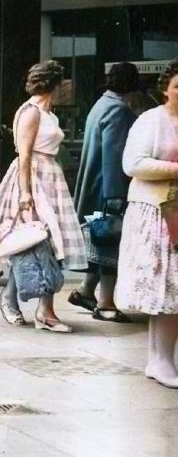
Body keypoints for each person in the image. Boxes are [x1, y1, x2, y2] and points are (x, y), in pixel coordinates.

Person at [0, 60, 86, 331]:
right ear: (52, 84)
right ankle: (16, 301)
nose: (66, 87)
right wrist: (25, 193)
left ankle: (44, 310)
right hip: (33, 176)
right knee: (34, 240)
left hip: (50, 176)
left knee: (48, 243)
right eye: (62, 82)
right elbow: (24, 155)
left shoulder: (49, 113)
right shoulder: (31, 112)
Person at [115, 61, 178, 387]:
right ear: (165, 88)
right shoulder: (150, 120)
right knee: (165, 288)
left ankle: (163, 357)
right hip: (156, 212)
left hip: (176, 211)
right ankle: (161, 359)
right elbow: (133, 164)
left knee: (172, 290)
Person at [70, 61, 141, 322]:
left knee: (100, 243)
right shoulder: (119, 110)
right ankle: (106, 302)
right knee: (111, 242)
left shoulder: (100, 104)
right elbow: (114, 154)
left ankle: (85, 290)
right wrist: (116, 197)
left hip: (93, 183)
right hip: (107, 187)